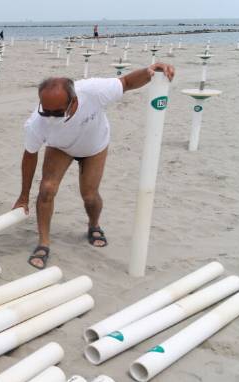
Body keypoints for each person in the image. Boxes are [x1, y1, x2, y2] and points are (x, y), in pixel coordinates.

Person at [13, 63, 175, 269]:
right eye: (47, 112)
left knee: (89, 195)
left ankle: (94, 224)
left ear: (74, 101)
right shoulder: (37, 123)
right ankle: (44, 242)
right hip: (61, 148)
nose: (52, 118)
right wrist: (23, 196)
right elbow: (30, 156)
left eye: (58, 112)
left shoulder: (93, 91)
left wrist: (149, 72)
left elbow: (126, 82)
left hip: (94, 146)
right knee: (46, 189)